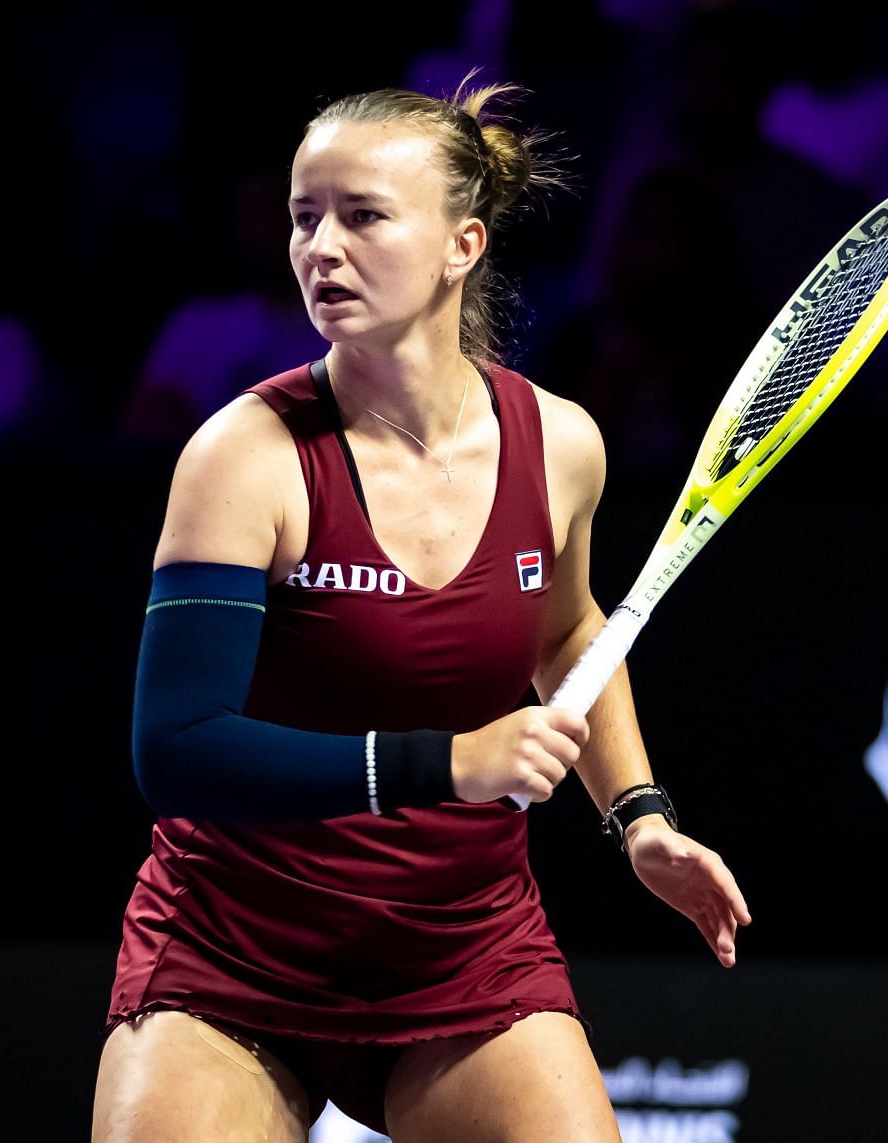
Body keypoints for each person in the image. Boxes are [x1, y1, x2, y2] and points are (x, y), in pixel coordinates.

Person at [92, 72, 752, 1142]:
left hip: (462, 945)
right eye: (306, 217)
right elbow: (174, 751)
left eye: (363, 217)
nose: (319, 248)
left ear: (463, 246)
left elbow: (569, 630)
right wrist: (449, 763)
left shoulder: (561, 446)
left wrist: (639, 819)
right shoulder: (245, 458)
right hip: (236, 954)